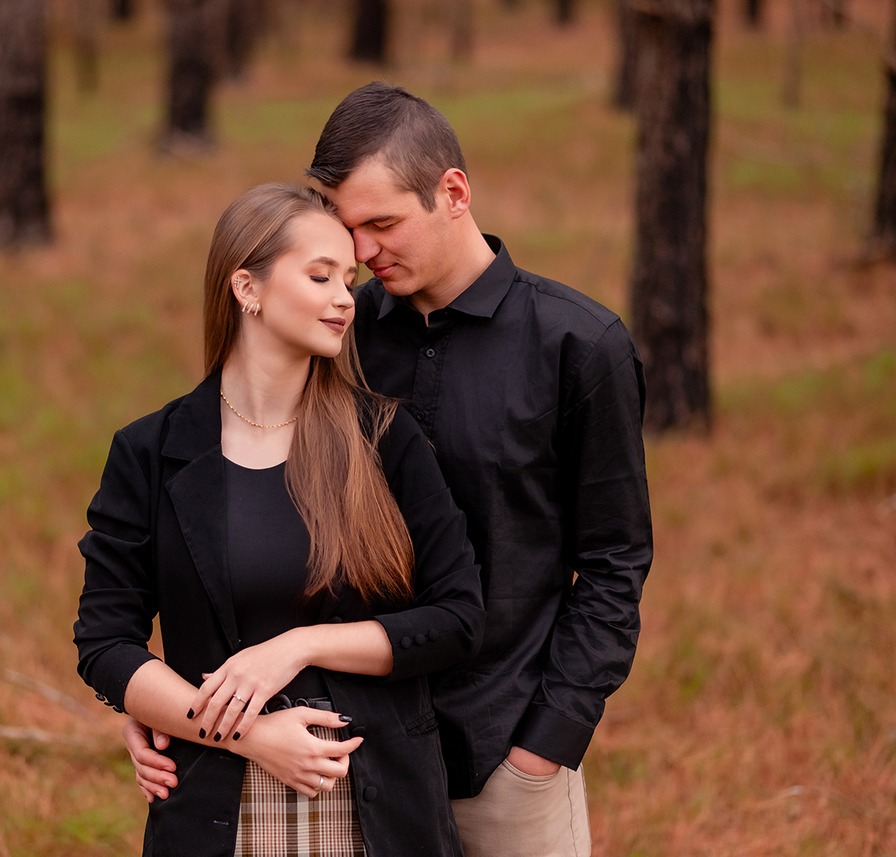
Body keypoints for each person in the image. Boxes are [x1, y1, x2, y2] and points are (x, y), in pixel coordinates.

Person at [125, 84, 653, 857]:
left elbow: (614, 563)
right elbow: (235, 507)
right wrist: (167, 704)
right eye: (349, 231)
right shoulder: (338, 331)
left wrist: (547, 742)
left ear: (454, 193)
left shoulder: (578, 345)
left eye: (383, 224)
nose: (365, 254)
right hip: (352, 759)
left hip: (502, 749)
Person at [74, 182, 486, 856]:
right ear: (247, 288)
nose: (344, 298)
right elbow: (106, 644)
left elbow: (459, 619)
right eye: (320, 276)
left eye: (349, 280)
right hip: (218, 809)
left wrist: (298, 646)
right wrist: (247, 734)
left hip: (379, 808)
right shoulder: (149, 452)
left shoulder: (386, 438)